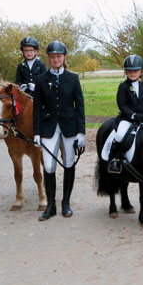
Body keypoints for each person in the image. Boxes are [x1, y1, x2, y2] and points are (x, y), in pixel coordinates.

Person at [32, 41, 85, 221]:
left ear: (64, 57)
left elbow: (80, 106)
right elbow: (37, 107)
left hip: (70, 126)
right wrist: (36, 133)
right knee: (48, 165)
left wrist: (81, 132)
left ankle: (66, 203)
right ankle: (51, 206)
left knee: (69, 162)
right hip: (48, 127)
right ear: (49, 58)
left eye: (59, 56)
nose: (55, 59)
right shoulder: (41, 79)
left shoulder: (73, 78)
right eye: (52, 57)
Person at [106, 55, 143, 174]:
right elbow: (122, 105)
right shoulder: (123, 87)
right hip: (127, 119)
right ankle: (115, 159)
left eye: (135, 70)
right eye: (130, 71)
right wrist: (133, 115)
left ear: (141, 72)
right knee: (120, 135)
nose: (133, 73)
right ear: (126, 72)